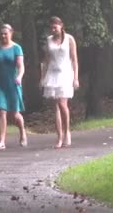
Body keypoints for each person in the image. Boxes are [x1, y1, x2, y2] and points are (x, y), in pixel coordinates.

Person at [0, 24, 27, 149]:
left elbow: (21, 66)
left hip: (13, 83)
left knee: (14, 114)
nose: (3, 36)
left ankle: (22, 132)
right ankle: (1, 141)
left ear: (11, 33)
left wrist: (19, 76)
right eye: (1, 33)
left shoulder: (16, 48)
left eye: (5, 33)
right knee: (1, 111)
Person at [40, 16, 79, 149]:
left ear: (61, 26)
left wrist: (76, 78)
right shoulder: (49, 40)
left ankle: (67, 131)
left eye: (55, 27)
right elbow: (46, 60)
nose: (53, 29)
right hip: (52, 74)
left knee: (63, 104)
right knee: (55, 106)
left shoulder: (69, 39)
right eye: (51, 27)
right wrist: (42, 77)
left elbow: (74, 59)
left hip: (66, 74)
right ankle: (59, 136)